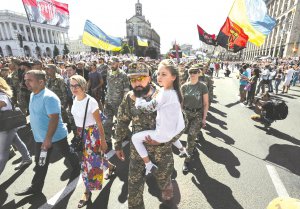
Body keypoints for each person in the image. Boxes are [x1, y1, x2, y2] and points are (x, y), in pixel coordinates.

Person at [114, 61, 180, 208]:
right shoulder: (129, 98)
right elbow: (122, 121)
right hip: (138, 152)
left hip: (161, 151)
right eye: (133, 79)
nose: (136, 83)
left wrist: (165, 140)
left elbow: (180, 124)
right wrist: (118, 144)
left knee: (164, 181)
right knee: (134, 189)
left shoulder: (165, 95)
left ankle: (167, 186)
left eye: (140, 78)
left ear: (150, 78)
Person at [15, 70, 80, 196]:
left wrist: (48, 139)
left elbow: (54, 119)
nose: (26, 82)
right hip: (40, 138)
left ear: (41, 82)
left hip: (55, 137)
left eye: (30, 80)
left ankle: (77, 167)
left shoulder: (49, 97)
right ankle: (36, 187)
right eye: (25, 79)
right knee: (40, 162)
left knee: (66, 152)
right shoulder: (33, 94)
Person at [132, 59, 186, 175]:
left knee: (135, 138)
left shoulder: (166, 94)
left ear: (173, 77)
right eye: (158, 73)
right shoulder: (172, 91)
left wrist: (138, 98)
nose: (159, 77)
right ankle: (182, 150)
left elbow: (147, 108)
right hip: (172, 131)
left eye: (164, 74)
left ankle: (148, 164)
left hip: (162, 135)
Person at [70, 75, 114, 208]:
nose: (73, 88)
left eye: (76, 85)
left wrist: (103, 141)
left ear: (83, 86)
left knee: (88, 164)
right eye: (71, 85)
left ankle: (87, 192)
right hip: (80, 134)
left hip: (91, 135)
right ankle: (111, 167)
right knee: (93, 159)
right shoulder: (74, 99)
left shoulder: (91, 102)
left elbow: (99, 124)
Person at [0, 77, 32, 175]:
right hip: (6, 126)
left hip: (6, 126)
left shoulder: (2, 95)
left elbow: (2, 103)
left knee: (3, 152)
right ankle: (27, 158)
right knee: (16, 141)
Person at [181, 64, 209, 172]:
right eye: (190, 72)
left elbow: (206, 103)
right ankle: (191, 148)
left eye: (195, 72)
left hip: (197, 114)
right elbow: (181, 103)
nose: (192, 74)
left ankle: (187, 161)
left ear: (199, 73)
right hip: (186, 113)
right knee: (180, 134)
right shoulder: (184, 86)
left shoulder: (202, 86)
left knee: (191, 135)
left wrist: (204, 118)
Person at [103, 57, 130, 149]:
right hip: (108, 103)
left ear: (118, 63)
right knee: (106, 122)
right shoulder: (109, 73)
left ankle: (123, 135)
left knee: (120, 123)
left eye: (113, 63)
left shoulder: (123, 75)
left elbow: (126, 90)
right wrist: (106, 99)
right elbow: (108, 87)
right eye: (110, 63)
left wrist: (124, 104)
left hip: (119, 104)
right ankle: (108, 141)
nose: (111, 65)